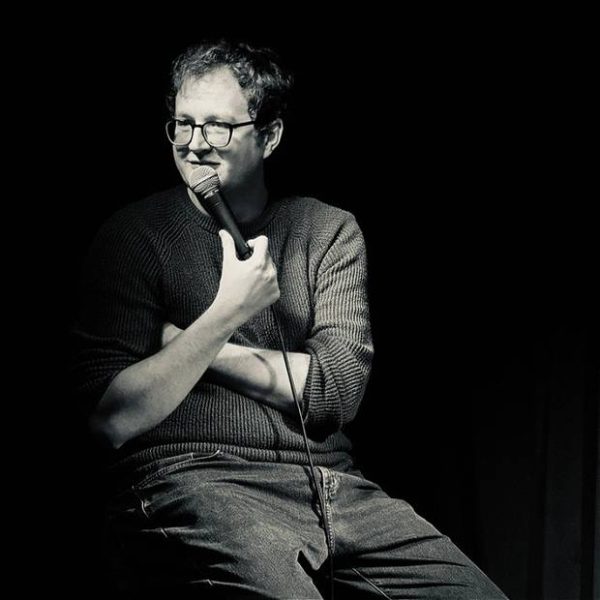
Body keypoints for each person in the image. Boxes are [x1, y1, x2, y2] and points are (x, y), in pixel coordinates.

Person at [72, 39, 507, 598]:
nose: (194, 145)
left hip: (333, 487)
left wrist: (187, 346)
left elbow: (334, 392)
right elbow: (111, 421)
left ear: (270, 135)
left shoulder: (327, 232)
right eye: (182, 124)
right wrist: (229, 311)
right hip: (196, 480)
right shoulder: (133, 237)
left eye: (217, 127)